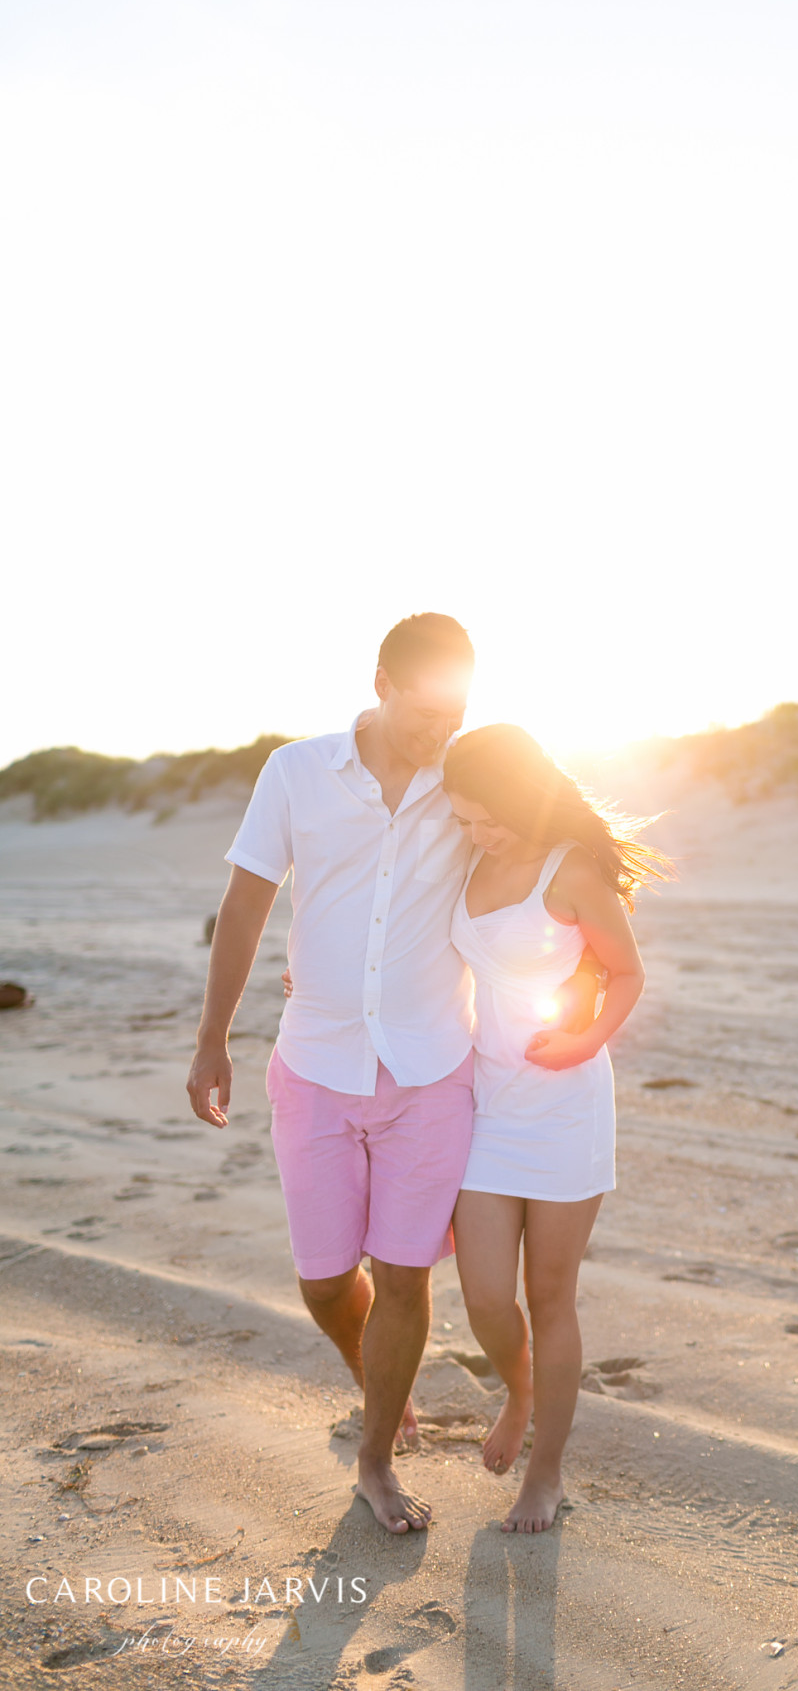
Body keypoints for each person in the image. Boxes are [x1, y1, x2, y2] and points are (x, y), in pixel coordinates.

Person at [185, 614, 597, 1535]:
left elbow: (542, 863)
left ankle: (376, 1455)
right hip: (316, 1062)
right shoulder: (297, 772)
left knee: (405, 1276)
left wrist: (591, 975)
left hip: (430, 1072)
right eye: (425, 713)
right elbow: (246, 902)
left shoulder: (466, 788)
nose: (439, 733)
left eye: (456, 714)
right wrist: (213, 1035)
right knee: (326, 1281)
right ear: (380, 681)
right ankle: (373, 1371)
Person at [442, 725, 670, 1533]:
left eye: (487, 818)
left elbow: (630, 971)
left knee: (549, 1295)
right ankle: (521, 1385)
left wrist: (585, 1038)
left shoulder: (569, 866)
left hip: (567, 1103)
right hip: (488, 1101)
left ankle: (546, 1470)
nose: (476, 832)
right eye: (465, 819)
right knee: (483, 1297)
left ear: (519, 797)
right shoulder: (466, 857)